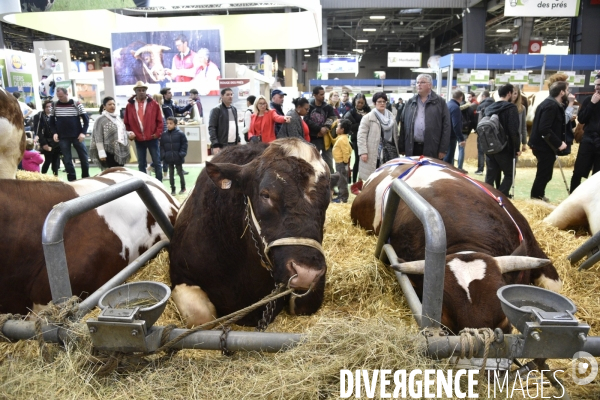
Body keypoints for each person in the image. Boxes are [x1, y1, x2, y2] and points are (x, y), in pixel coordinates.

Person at [528, 81, 570, 202]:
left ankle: (539, 195)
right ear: (562, 92)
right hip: (543, 146)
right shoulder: (551, 106)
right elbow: (544, 128)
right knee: (544, 174)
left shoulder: (551, 103)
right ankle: (536, 198)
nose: (568, 93)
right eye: (567, 90)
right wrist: (559, 143)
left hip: (545, 145)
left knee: (546, 173)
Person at [399, 74, 450, 159]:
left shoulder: (440, 102)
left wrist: (443, 149)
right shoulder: (410, 102)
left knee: (429, 171)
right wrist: (402, 146)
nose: (419, 84)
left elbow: (446, 126)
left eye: (422, 82)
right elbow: (403, 124)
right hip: (412, 147)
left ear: (430, 85)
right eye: (417, 82)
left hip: (432, 147)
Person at [483, 84, 520, 198]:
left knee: (490, 175)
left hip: (489, 146)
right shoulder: (511, 108)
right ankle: (501, 196)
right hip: (504, 147)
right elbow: (513, 131)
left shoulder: (489, 108)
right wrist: (516, 148)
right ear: (509, 93)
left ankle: (487, 197)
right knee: (510, 174)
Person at [123, 81, 164, 181]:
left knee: (157, 162)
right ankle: (143, 184)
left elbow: (160, 121)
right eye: (139, 90)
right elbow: (126, 122)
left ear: (146, 91)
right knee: (141, 164)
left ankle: (159, 183)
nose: (141, 92)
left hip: (152, 138)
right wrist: (130, 134)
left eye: (143, 90)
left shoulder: (154, 104)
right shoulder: (130, 106)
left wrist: (157, 134)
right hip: (138, 139)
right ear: (135, 92)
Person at [49, 86, 90, 181]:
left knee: (84, 157)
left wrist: (83, 133)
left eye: (61, 96)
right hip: (63, 137)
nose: (60, 98)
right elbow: (51, 122)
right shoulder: (54, 105)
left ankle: (86, 177)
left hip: (77, 136)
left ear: (67, 94)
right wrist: (54, 132)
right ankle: (72, 179)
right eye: (58, 96)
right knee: (67, 160)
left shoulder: (76, 104)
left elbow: (86, 120)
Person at [357, 92, 399, 181]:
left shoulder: (392, 117)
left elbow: (395, 134)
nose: (382, 103)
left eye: (384, 101)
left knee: (390, 177)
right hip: (374, 153)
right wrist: (363, 152)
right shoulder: (368, 118)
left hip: (391, 152)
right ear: (374, 103)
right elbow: (361, 136)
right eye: (379, 101)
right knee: (375, 178)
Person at [570, 75, 600, 192]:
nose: (598, 87)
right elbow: (581, 119)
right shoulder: (588, 100)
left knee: (597, 174)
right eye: (597, 84)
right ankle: (573, 196)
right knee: (578, 171)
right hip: (588, 139)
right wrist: (592, 104)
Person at [89, 96, 131, 170]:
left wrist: (128, 134)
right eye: (109, 104)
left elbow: (120, 132)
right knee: (112, 172)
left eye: (114, 104)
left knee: (120, 172)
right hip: (108, 151)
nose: (112, 106)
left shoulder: (117, 118)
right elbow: (98, 137)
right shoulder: (100, 120)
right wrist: (101, 153)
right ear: (104, 106)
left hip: (119, 150)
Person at [305, 86, 337, 172]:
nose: (323, 96)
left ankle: (331, 181)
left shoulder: (328, 107)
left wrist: (325, 128)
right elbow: (306, 119)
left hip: (326, 138)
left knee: (329, 163)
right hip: (314, 138)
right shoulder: (309, 106)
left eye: (324, 94)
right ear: (315, 95)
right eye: (321, 94)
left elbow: (332, 117)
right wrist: (319, 129)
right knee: (313, 162)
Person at [344, 93, 371, 185]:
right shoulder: (351, 112)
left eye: (362, 103)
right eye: (358, 102)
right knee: (358, 160)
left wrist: (359, 125)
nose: (359, 104)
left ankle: (365, 180)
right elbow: (350, 126)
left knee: (368, 160)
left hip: (368, 138)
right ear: (354, 101)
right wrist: (363, 125)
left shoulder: (369, 111)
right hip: (356, 139)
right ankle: (354, 181)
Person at [161, 117, 188, 196]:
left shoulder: (180, 134)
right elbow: (161, 146)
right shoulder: (164, 135)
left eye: (171, 123)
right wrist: (164, 155)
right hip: (168, 158)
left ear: (175, 124)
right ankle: (173, 189)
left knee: (180, 173)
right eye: (167, 123)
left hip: (178, 157)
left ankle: (183, 188)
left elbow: (184, 144)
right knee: (171, 174)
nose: (168, 125)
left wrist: (181, 154)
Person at [208, 88, 239, 154]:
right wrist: (215, 144)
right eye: (227, 95)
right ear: (222, 96)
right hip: (222, 144)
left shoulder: (234, 109)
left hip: (234, 144)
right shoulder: (216, 110)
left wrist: (238, 140)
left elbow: (235, 126)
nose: (230, 96)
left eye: (231, 94)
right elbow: (212, 127)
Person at [35, 99, 60, 176]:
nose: (49, 108)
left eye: (50, 106)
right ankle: (43, 176)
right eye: (47, 107)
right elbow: (38, 130)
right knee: (48, 160)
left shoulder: (56, 115)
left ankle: (55, 177)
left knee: (56, 160)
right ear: (44, 107)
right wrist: (44, 143)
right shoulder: (39, 116)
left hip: (57, 141)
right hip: (46, 141)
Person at [443, 90, 466, 168]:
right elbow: (456, 125)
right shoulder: (456, 108)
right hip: (451, 136)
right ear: (461, 97)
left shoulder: (447, 105)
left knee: (446, 158)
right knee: (448, 159)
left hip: (445, 135)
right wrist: (461, 138)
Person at [332, 119, 352, 203]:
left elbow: (346, 151)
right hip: (339, 162)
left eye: (337, 127)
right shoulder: (342, 138)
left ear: (342, 129)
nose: (336, 128)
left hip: (341, 163)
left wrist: (344, 161)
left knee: (341, 181)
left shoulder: (342, 139)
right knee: (341, 179)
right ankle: (341, 196)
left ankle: (342, 198)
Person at [474, 91, 495, 175]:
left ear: (483, 96)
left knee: (481, 151)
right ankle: (491, 169)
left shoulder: (480, 106)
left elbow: (477, 120)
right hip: (492, 132)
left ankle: (480, 169)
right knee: (492, 151)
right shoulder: (495, 105)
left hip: (482, 131)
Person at [512, 88, 528, 155]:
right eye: (512, 93)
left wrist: (524, 143)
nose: (513, 95)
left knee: (515, 161)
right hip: (505, 140)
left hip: (517, 140)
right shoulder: (504, 106)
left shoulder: (522, 108)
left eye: (515, 93)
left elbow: (523, 126)